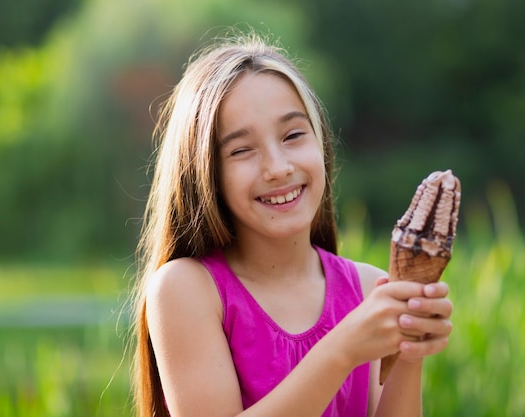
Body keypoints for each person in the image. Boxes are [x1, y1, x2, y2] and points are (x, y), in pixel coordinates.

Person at [130, 31, 453, 417]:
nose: (278, 168)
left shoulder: (369, 289)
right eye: (242, 150)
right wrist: (344, 348)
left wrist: (409, 349)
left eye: (293, 135)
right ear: (205, 173)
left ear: (321, 145)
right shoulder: (186, 289)